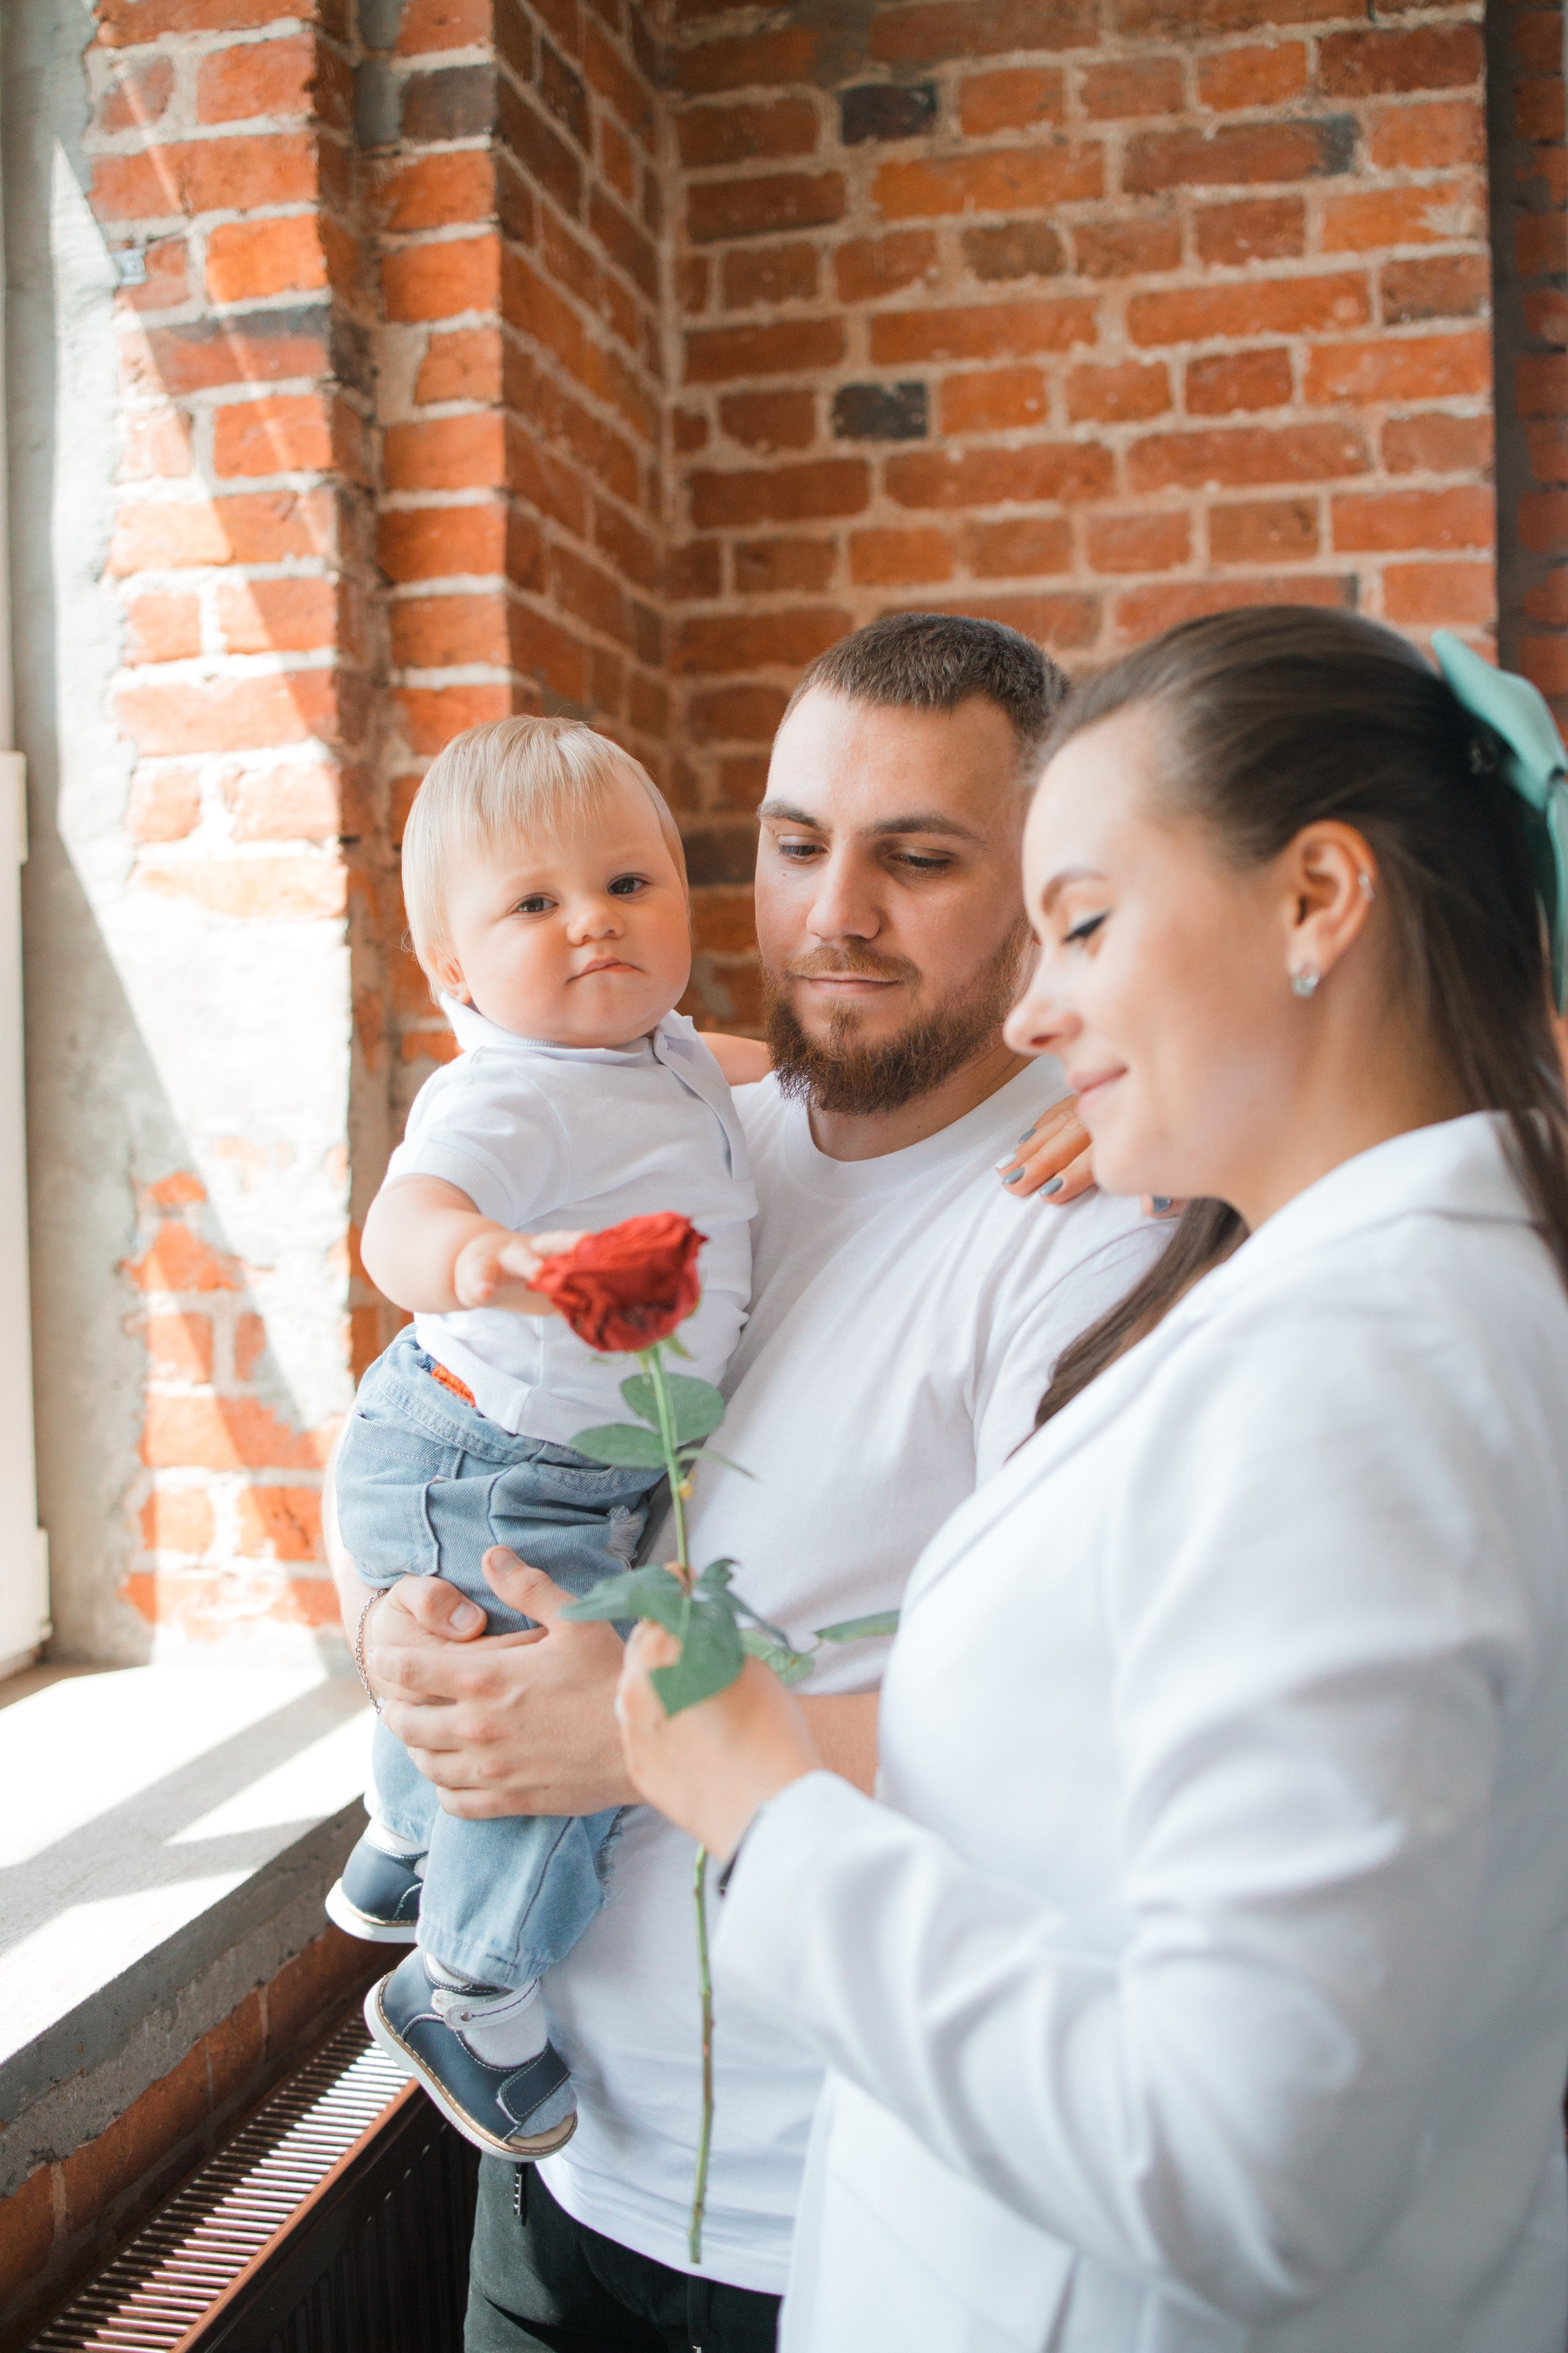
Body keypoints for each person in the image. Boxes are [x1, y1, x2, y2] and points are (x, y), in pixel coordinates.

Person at [615, 605, 1568, 2353]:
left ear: (1317, 902)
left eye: (1087, 921)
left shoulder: (1358, 1375)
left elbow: (1239, 2162)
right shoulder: (1369, 1294)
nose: (1038, 1007)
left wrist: (768, 1811)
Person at [331, 613, 1165, 2351]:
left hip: (851, 2219)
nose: (833, 914)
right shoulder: (698, 1127)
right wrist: (431, 1656)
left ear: (1046, 883)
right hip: (560, 2164)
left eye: (918, 859)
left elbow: (1118, 1751)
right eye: (795, 846)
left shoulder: (1096, 1229)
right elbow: (497, 1428)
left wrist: (640, 1722)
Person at [328, 716, 758, 2161]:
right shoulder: (506, 1088)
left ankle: (397, 1848)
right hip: (487, 1458)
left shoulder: (665, 1049)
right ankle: (468, 1989)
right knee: (545, 1724)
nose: (594, 922)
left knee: (475, 1668)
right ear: (456, 972)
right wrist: (493, 1259)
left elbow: (764, 1069)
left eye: (630, 884)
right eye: (534, 903)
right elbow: (402, 1221)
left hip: (538, 1453)